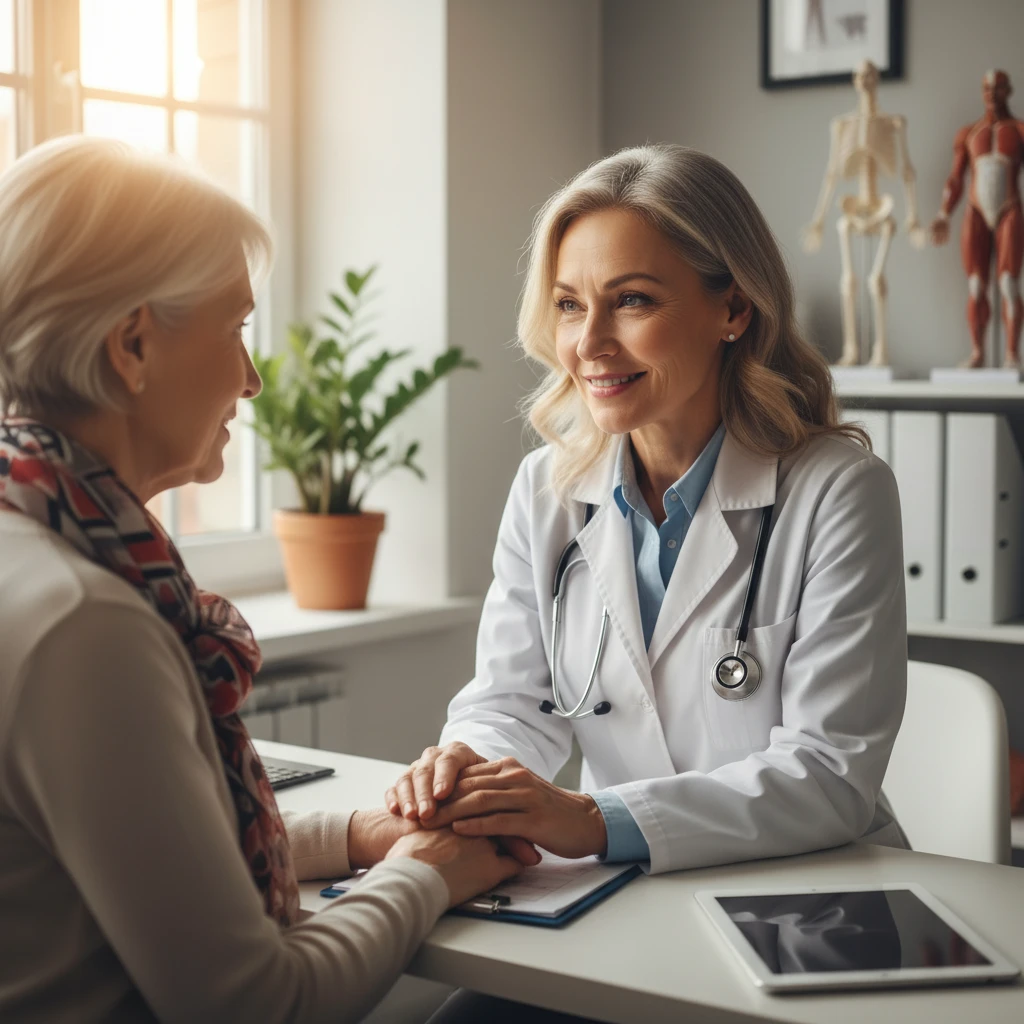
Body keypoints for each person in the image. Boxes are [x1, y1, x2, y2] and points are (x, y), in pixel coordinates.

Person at [0, 135, 535, 1023]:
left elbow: (141, 862)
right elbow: (256, 1005)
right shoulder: (86, 625)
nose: (250, 381)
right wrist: (420, 876)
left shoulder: (41, 551)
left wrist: (359, 837)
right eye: (236, 328)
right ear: (133, 346)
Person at [387, 144, 909, 876]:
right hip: (623, 891)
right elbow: (510, 703)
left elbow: (829, 774)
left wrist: (593, 818)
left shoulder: (837, 490)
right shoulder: (549, 490)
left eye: (631, 300)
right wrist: (464, 772)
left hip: (808, 891)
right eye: (570, 305)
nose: (589, 344)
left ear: (732, 308)